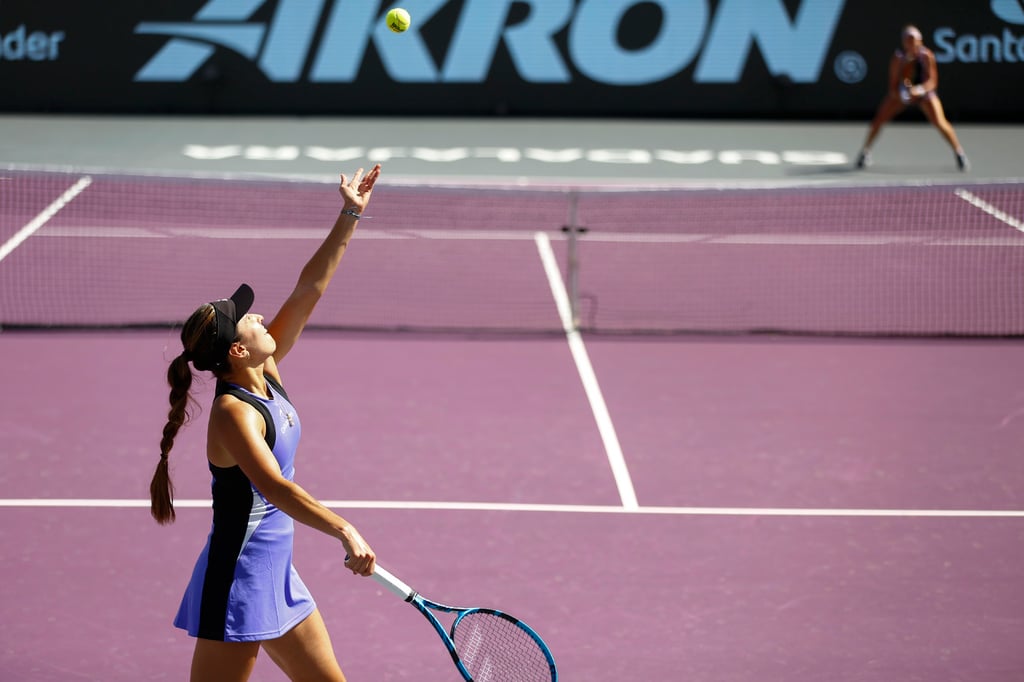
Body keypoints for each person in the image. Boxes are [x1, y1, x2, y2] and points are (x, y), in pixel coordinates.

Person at [149, 165, 382, 682]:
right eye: (248, 319)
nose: (258, 318)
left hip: (276, 573)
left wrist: (349, 214)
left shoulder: (265, 371)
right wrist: (344, 529)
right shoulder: (233, 413)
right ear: (236, 349)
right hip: (238, 580)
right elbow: (274, 487)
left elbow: (309, 289)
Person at [855, 25, 969, 171]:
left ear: (919, 40)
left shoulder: (927, 56)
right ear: (903, 42)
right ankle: (865, 152)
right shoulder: (898, 58)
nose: (910, 42)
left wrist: (919, 90)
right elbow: (892, 86)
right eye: (907, 40)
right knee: (879, 120)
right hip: (902, 95)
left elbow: (932, 82)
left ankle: (959, 153)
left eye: (913, 39)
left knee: (940, 122)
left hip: (925, 94)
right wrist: (902, 95)